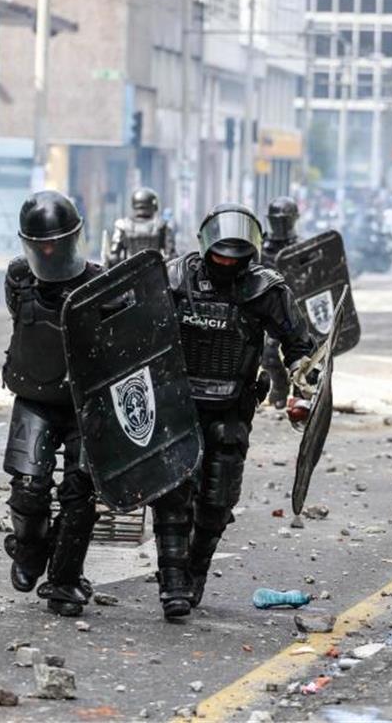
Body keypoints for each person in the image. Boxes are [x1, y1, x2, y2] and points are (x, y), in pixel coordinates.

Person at [151, 203, 318, 620]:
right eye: (220, 254)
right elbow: (141, 330)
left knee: (218, 499)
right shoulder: (174, 278)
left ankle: (195, 574)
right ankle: (172, 584)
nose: (226, 262)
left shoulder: (265, 288)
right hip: (179, 402)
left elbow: (299, 343)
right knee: (173, 495)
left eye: (235, 256)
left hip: (231, 407)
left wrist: (303, 378)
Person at [1, 191, 103, 618]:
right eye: (40, 244)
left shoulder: (99, 281)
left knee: (80, 496)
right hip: (36, 396)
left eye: (54, 243)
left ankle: (63, 579)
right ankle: (30, 551)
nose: (47, 251)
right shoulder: (19, 278)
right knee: (28, 490)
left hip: (84, 402)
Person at [260, 196, 303, 409]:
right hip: (268, 308)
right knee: (267, 353)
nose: (281, 223)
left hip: (295, 310)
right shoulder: (260, 246)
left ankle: (301, 395)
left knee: (302, 356)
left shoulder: (301, 248)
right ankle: (280, 385)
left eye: (285, 219)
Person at [105, 187, 176, 267]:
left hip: (130, 272)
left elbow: (114, 256)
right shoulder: (162, 225)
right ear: (153, 205)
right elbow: (171, 256)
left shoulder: (123, 225)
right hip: (156, 272)